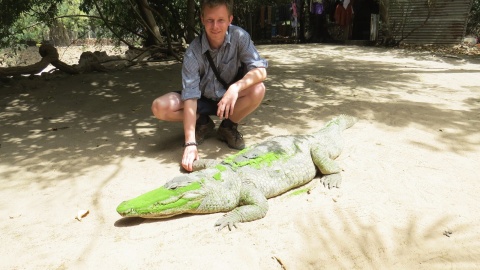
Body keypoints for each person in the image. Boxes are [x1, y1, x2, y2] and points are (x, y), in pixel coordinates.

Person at [151, 0, 268, 172]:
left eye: (221, 20)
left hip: (229, 99)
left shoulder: (239, 37)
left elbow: (261, 71)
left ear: (230, 19)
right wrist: (190, 143)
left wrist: (235, 88)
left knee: (259, 89)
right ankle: (203, 122)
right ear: (202, 20)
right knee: (159, 107)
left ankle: (228, 126)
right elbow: (190, 96)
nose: (215, 26)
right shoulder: (193, 51)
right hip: (201, 99)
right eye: (210, 20)